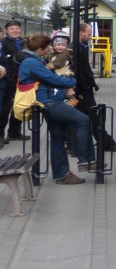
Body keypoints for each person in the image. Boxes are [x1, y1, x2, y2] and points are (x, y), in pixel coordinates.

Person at [17, 34, 95, 184]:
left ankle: (62, 175)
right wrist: (72, 81)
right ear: (40, 49)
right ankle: (86, 160)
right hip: (49, 102)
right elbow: (53, 79)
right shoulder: (31, 62)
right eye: (48, 47)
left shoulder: (34, 60)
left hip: (49, 100)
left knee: (58, 138)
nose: (50, 49)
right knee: (83, 121)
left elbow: (49, 80)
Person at [73, 23, 116, 153]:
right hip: (81, 90)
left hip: (83, 88)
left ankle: (73, 143)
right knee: (93, 116)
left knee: (86, 116)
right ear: (81, 33)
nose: (91, 36)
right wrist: (86, 84)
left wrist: (91, 83)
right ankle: (106, 143)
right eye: (89, 34)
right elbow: (79, 70)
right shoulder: (76, 48)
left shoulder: (80, 47)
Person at [0, 20, 24, 142]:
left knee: (20, 106)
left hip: (23, 79)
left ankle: (14, 132)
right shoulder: (3, 43)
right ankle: (0, 135)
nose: (15, 30)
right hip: (8, 78)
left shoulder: (25, 42)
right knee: (5, 107)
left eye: (17, 28)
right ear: (7, 31)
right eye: (12, 28)